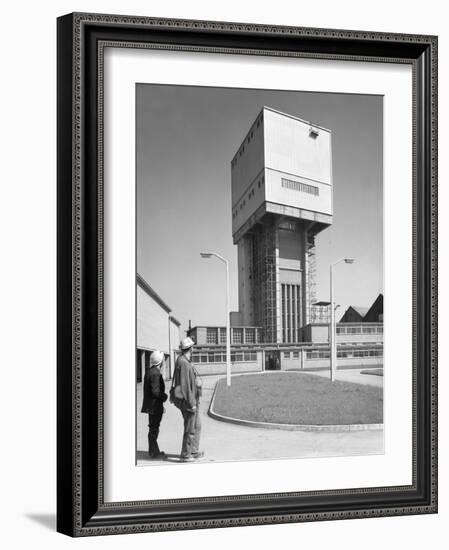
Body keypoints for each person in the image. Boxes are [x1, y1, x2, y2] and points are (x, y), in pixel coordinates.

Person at [173, 337, 203, 462]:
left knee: (197, 426)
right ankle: (186, 454)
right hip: (189, 401)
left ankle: (193, 450)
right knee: (190, 428)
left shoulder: (185, 360)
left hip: (192, 399)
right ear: (190, 348)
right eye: (193, 346)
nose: (193, 348)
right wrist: (192, 403)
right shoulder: (183, 363)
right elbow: (185, 386)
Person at [141, 350, 168, 460]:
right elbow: (156, 392)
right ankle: (154, 453)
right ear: (160, 362)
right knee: (154, 429)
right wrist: (164, 397)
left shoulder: (149, 371)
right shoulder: (156, 373)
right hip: (154, 407)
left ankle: (153, 451)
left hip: (152, 406)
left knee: (153, 428)